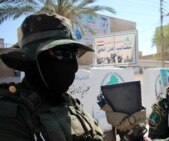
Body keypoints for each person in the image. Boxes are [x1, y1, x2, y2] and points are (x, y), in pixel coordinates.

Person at [0, 13, 103, 141]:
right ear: (33, 59)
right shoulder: (12, 114)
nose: (74, 66)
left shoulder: (69, 103)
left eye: (74, 54)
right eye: (63, 53)